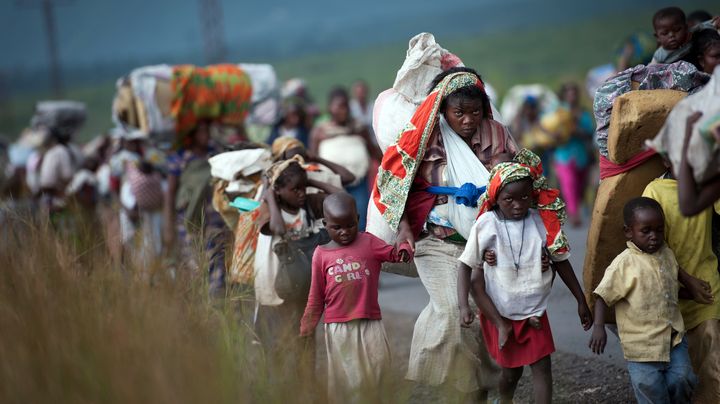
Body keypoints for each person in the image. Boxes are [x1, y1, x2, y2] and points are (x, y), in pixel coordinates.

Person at [373, 67, 517, 399]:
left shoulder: (498, 134)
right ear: (441, 110)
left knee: (486, 315)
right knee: (454, 311)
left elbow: (520, 180)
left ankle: (481, 385)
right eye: (459, 113)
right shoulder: (420, 139)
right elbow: (397, 188)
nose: (468, 120)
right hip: (437, 242)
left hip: (488, 242)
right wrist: (405, 231)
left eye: (475, 112)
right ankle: (464, 387)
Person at [457, 162, 591, 404]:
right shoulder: (487, 224)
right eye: (510, 199)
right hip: (502, 309)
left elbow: (561, 261)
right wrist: (463, 306)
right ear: (496, 197)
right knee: (510, 372)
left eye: (525, 197)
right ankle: (504, 399)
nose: (518, 205)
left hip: (534, 311)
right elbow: (466, 265)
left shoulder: (542, 221)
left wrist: (580, 299)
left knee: (542, 369)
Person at [589, 197, 705, 404]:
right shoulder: (623, 264)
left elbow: (668, 287)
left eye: (659, 230)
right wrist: (598, 327)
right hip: (641, 346)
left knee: (683, 379)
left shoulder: (667, 254)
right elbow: (602, 295)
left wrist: (693, 293)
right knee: (650, 389)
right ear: (629, 232)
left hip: (673, 339)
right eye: (646, 231)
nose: (654, 237)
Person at [299, 192, 411, 402]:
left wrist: (404, 247)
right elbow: (316, 297)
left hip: (370, 323)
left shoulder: (369, 242)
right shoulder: (321, 254)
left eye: (349, 225)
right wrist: (307, 326)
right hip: (339, 328)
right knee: (350, 379)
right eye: (337, 227)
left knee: (379, 369)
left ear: (358, 219)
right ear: (325, 224)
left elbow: (395, 255)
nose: (344, 232)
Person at [253, 157, 342, 378]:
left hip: (303, 284)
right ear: (279, 191)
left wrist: (314, 182)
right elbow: (278, 229)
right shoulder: (268, 209)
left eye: (304, 188)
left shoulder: (308, 204)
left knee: (305, 334)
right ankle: (281, 383)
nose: (301, 193)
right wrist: (271, 199)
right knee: (280, 338)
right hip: (277, 283)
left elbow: (340, 199)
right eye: (295, 189)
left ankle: (305, 381)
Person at [643, 156, 720, 403]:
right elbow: (652, 247)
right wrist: (684, 284)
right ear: (666, 160)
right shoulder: (655, 191)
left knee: (712, 359)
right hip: (668, 288)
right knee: (678, 370)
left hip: (707, 284)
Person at [164, 121, 226, 294]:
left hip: (213, 218)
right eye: (201, 132)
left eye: (207, 131)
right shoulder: (180, 157)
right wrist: (168, 227)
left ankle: (216, 305)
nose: (205, 135)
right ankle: (198, 308)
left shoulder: (214, 154)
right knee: (194, 264)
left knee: (217, 259)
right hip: (188, 219)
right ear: (191, 135)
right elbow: (170, 192)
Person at [310, 87, 381, 231]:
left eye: (346, 106)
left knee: (359, 221)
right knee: (335, 222)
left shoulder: (359, 128)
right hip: (330, 185)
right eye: (340, 106)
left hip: (358, 184)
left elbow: (375, 153)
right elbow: (312, 159)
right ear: (330, 108)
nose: (344, 110)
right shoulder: (320, 131)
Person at [553, 83, 594, 226]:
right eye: (569, 93)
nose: (572, 96)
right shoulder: (557, 113)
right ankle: (573, 213)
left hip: (581, 155)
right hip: (563, 155)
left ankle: (578, 206)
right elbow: (550, 131)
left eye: (574, 93)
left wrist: (576, 129)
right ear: (564, 95)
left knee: (581, 185)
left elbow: (590, 133)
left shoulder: (583, 113)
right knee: (569, 183)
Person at [650, 7, 720, 65]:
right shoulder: (659, 54)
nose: (671, 35)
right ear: (657, 37)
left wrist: (715, 23)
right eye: (665, 33)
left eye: (677, 30)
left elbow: (704, 26)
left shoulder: (691, 34)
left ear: (686, 28)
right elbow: (650, 69)